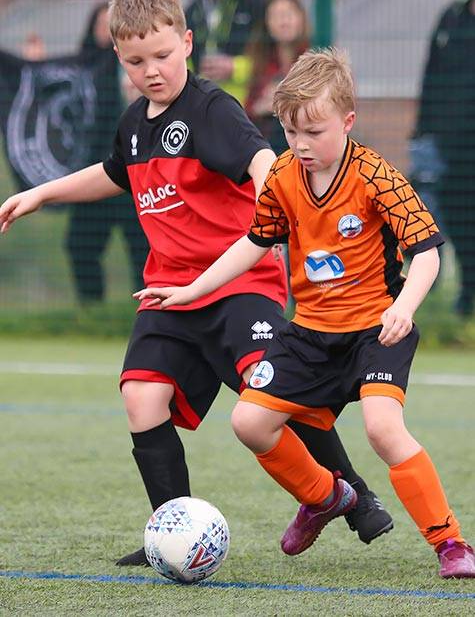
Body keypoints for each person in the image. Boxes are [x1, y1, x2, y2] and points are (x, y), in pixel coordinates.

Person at [0, 0, 392, 569]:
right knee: (140, 398)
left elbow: (262, 160)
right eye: (135, 62)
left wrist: (279, 201)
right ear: (118, 57)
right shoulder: (134, 124)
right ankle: (173, 530)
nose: (151, 71)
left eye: (161, 55)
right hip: (167, 291)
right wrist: (38, 193)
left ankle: (353, 494)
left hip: (239, 284)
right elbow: (115, 173)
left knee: (272, 389)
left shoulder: (211, 108)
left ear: (185, 42)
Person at [139, 48, 475, 579]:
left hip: (375, 331)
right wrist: (190, 288)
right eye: (290, 132)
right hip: (309, 335)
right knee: (250, 423)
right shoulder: (283, 176)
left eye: (314, 132)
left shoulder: (376, 177)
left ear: (347, 121)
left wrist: (405, 308)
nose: (300, 145)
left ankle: (451, 544)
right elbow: (254, 241)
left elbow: (428, 252)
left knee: (383, 429)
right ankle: (325, 497)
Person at [65, 2, 148, 304]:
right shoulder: (81, 69)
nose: (107, 30)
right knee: (79, 245)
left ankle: (149, 312)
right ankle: (92, 311)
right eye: (101, 24)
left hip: (137, 179)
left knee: (144, 250)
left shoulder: (145, 66)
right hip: (95, 175)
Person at [413, 0, 475, 316]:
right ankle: (465, 295)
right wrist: (423, 129)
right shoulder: (452, 17)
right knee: (451, 217)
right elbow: (430, 74)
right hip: (448, 143)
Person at [186, 0, 266, 102]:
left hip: (244, 103)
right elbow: (184, 52)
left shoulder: (256, 2)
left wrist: (235, 67)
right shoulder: (194, 5)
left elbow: (268, 55)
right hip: (201, 101)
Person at [245, 0, 309, 155]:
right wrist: (262, 107)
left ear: (301, 19)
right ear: (267, 23)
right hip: (268, 147)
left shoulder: (315, 57)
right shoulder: (259, 61)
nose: (283, 21)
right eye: (276, 16)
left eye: (288, 14)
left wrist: (285, 101)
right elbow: (248, 110)